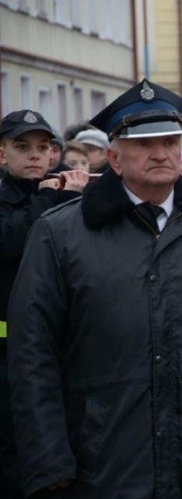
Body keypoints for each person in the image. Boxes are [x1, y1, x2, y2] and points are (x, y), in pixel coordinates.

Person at [8, 80, 182, 497]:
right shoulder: (61, 233)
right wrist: (48, 462)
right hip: (102, 462)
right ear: (114, 158)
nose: (160, 153)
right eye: (144, 144)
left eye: (169, 141)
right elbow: (32, 354)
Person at [0, 109, 89, 498]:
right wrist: (52, 200)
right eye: (22, 147)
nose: (35, 156)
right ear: (2, 154)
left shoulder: (66, 192)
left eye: (43, 147)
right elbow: (11, 243)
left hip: (61, 347)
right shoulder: (48, 198)